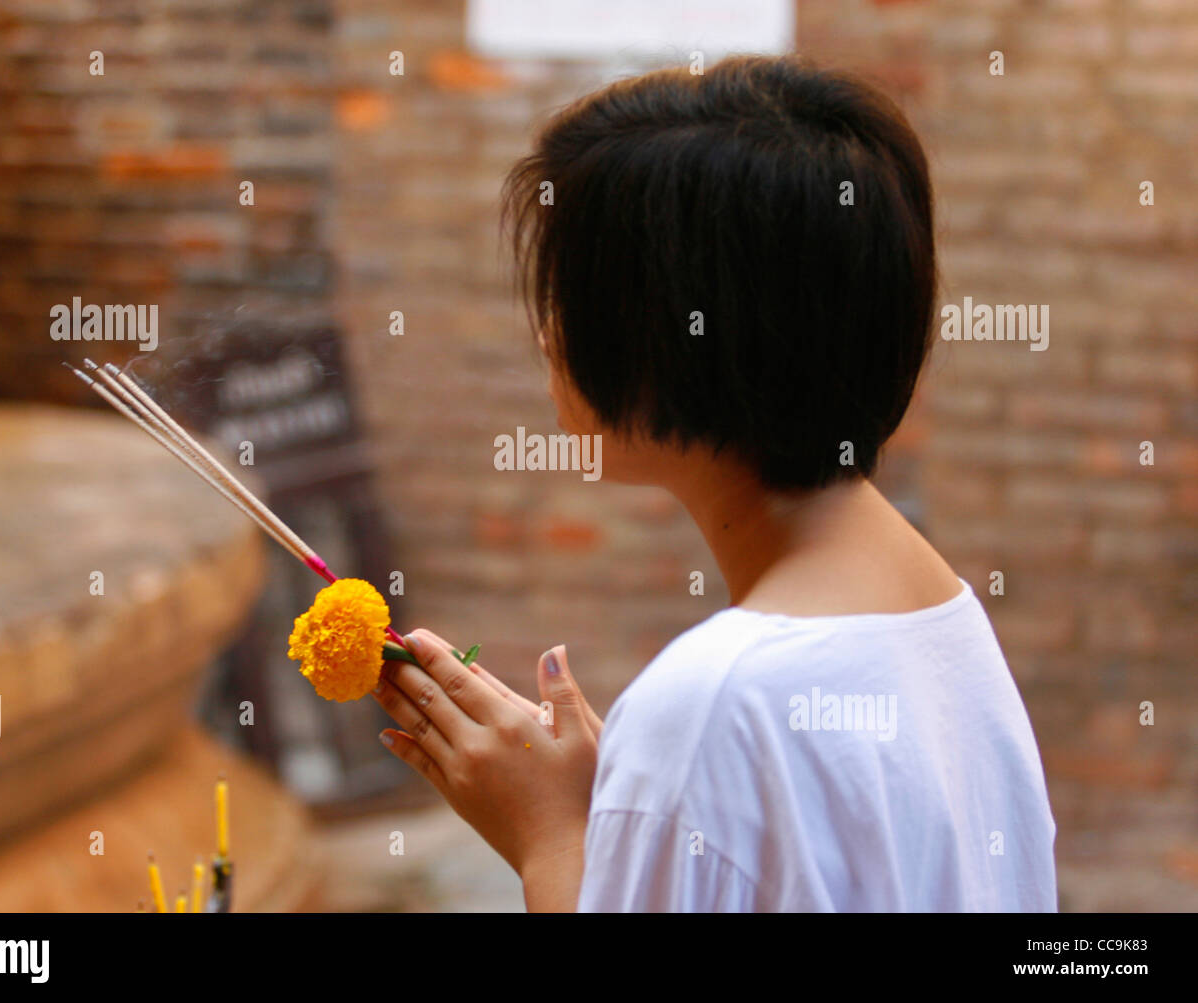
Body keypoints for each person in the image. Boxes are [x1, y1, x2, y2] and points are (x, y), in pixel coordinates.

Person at [370, 54, 1058, 912]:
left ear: (666, 336)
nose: (549, 336)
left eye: (571, 296)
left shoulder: (716, 705)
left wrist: (548, 840)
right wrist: (625, 813)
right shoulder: (945, 623)